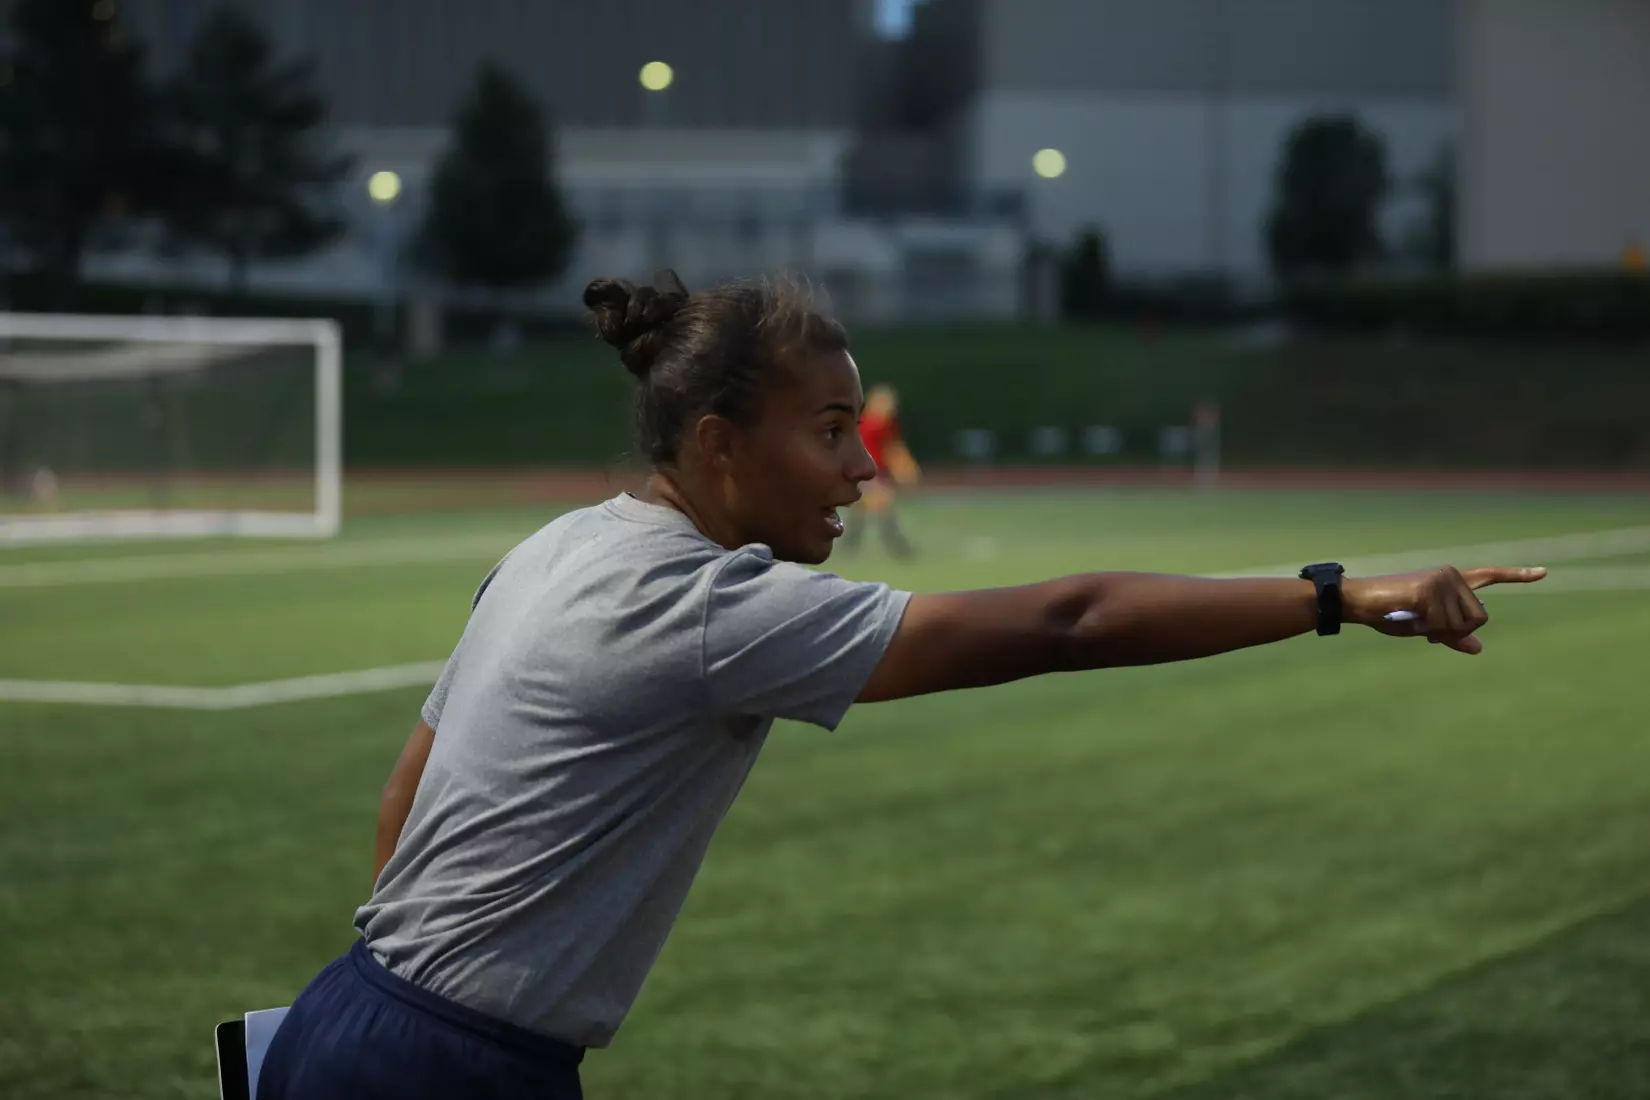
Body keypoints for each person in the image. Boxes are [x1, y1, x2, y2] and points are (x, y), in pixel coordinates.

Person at [255, 271, 1546, 1100]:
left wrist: (391, 1010)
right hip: (444, 1072)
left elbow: (404, 798)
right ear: (717, 446)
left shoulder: (558, 545)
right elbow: (1069, 623)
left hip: (345, 1022)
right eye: (826, 433)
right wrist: (1337, 594)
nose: (858, 470)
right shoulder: (698, 604)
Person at [842, 382, 919, 557]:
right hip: (866, 474)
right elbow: (890, 449)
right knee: (883, 508)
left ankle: (849, 547)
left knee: (860, 513)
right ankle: (899, 548)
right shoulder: (870, 424)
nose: (890, 407)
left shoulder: (884, 424)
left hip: (872, 474)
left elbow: (892, 447)